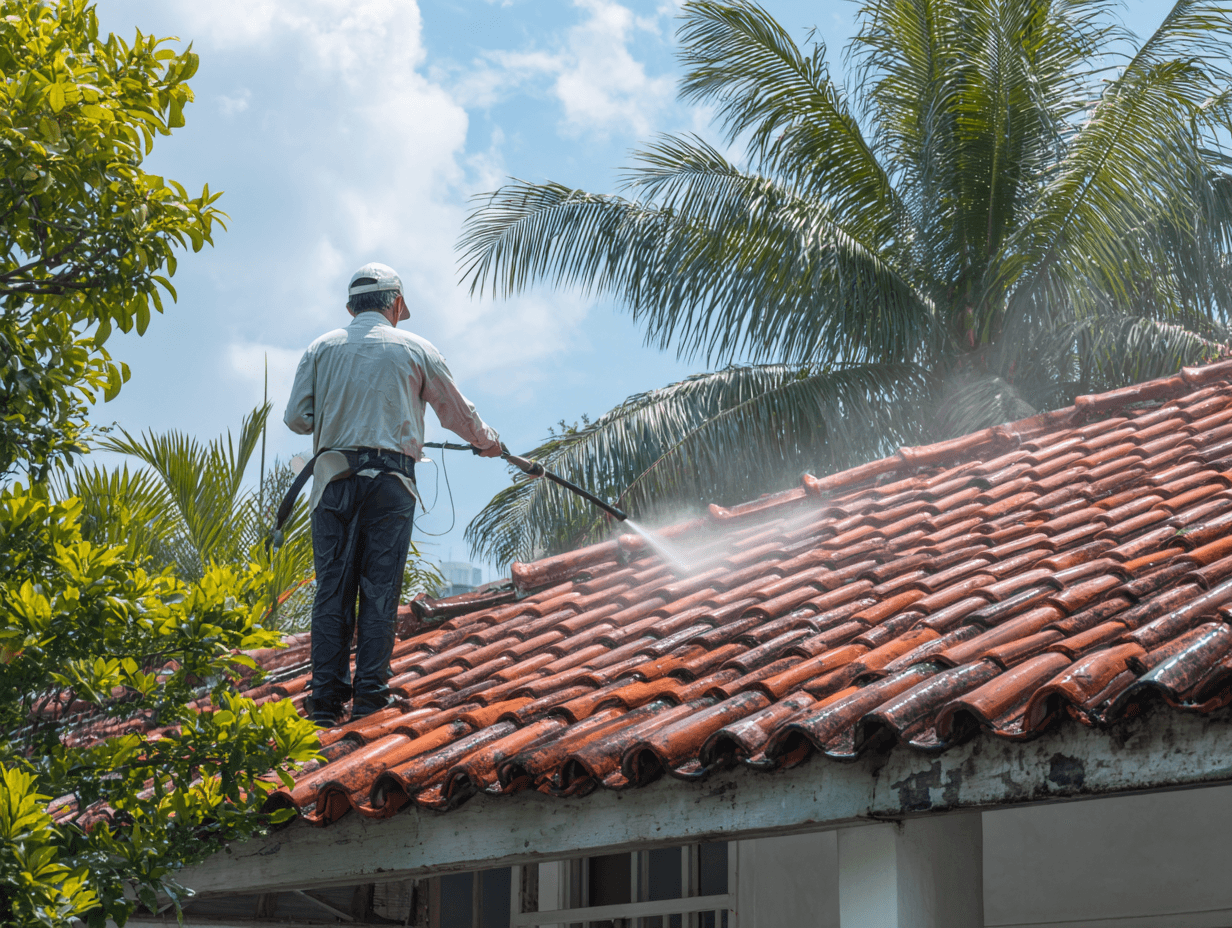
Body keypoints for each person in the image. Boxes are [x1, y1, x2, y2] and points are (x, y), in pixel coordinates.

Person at [284, 262, 502, 725]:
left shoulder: (321, 348)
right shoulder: (417, 349)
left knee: (332, 589)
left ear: (351, 306)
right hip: (390, 484)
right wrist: (487, 443)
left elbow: (297, 419)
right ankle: (370, 696)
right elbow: (458, 415)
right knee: (379, 589)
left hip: (333, 483)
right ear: (396, 303)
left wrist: (338, 412)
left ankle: (324, 701)